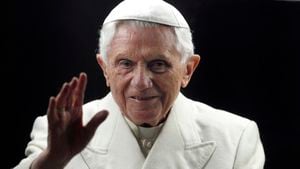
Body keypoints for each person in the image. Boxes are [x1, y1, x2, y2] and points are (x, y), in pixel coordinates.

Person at [14, 0, 265, 168]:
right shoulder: (54, 131)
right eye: (125, 63)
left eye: (158, 64)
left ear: (187, 70)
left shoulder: (236, 137)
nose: (141, 83)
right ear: (105, 69)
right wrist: (50, 162)